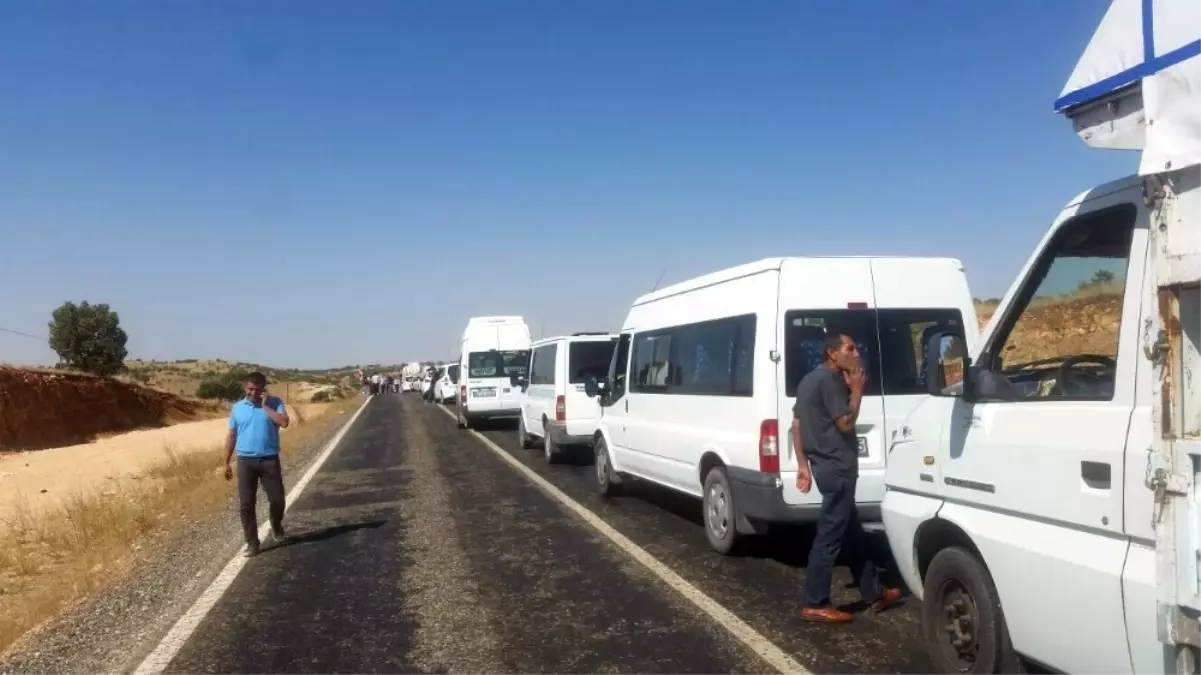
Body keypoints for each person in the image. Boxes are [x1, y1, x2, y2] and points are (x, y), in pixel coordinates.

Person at [792, 333, 901, 623]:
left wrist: (803, 464)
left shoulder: (808, 380)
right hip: (837, 469)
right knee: (829, 538)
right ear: (832, 354)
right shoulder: (829, 382)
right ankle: (814, 602)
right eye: (850, 348)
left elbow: (797, 424)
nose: (856, 352)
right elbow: (845, 423)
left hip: (825, 467)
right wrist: (857, 390)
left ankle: (874, 591)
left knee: (853, 535)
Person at [223, 372, 290, 557]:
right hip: (245, 461)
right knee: (246, 504)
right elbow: (231, 435)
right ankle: (252, 543)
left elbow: (284, 423)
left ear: (264, 388)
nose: (253, 392)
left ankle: (275, 523)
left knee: (277, 499)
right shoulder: (237, 408)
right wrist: (226, 462)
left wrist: (265, 406)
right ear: (245, 388)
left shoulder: (275, 403)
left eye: (257, 389)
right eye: (250, 388)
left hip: (269, 459)